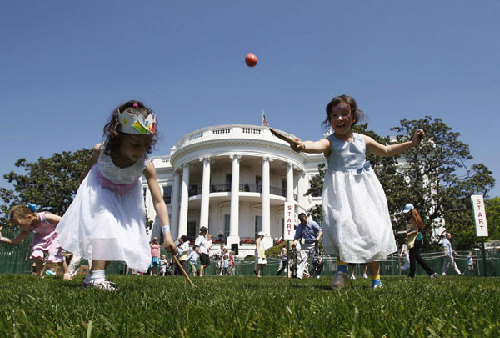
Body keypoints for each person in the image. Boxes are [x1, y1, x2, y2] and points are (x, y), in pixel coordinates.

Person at [291, 94, 425, 289]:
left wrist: (412, 143)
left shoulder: (363, 140)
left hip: (365, 190)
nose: (339, 118)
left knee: (370, 231)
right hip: (341, 192)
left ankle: (376, 280)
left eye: (344, 114)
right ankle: (341, 270)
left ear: (353, 117)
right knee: (342, 225)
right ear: (329, 120)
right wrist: (302, 145)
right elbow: (315, 145)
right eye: (334, 115)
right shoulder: (330, 142)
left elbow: (386, 150)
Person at [55, 100, 176, 290]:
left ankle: (92, 276)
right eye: (136, 145)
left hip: (126, 196)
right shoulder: (101, 152)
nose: (141, 151)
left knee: (118, 239)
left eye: (146, 145)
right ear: (119, 137)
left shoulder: (146, 165)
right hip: (99, 190)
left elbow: (159, 201)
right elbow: (86, 174)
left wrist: (167, 234)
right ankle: (97, 277)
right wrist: (82, 198)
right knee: (106, 224)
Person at [0, 205, 71, 280]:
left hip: (55, 235)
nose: (20, 227)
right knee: (37, 253)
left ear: (29, 217)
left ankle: (66, 272)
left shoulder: (46, 217)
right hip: (41, 237)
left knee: (54, 252)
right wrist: (1, 238)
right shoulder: (28, 227)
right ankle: (39, 275)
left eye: (20, 224)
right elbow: (16, 241)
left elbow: (65, 222)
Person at [403, 204, 438, 278]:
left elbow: (415, 231)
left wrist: (407, 233)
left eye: (407, 212)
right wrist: (407, 236)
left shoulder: (413, 219)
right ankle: (430, 273)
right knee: (416, 258)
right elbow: (410, 229)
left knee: (414, 258)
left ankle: (429, 272)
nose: (406, 213)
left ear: (411, 211)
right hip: (414, 239)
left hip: (416, 239)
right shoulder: (410, 219)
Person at [292, 213, 322, 280]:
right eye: (300, 220)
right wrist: (295, 242)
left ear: (306, 217)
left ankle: (315, 275)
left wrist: (318, 237)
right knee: (302, 260)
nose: (302, 221)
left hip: (314, 244)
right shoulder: (300, 226)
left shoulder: (312, 223)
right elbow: (297, 236)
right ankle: (299, 276)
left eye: (303, 219)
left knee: (314, 261)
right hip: (304, 244)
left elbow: (320, 230)